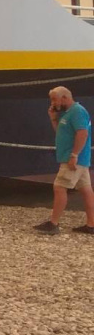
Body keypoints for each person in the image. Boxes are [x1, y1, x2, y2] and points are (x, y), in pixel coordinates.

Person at [35, 86, 94, 234]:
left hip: (72, 159)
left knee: (60, 187)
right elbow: (61, 133)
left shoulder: (77, 112)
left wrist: (74, 155)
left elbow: (83, 134)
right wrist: (53, 118)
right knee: (86, 190)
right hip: (78, 158)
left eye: (54, 99)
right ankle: (91, 224)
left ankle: (53, 223)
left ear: (64, 97)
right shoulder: (66, 114)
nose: (53, 102)